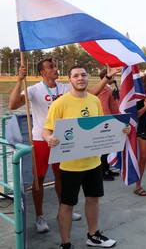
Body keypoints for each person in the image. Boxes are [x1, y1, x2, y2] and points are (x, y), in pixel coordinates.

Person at [9, 58, 118, 233]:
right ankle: (39, 216)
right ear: (43, 72)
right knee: (39, 179)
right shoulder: (34, 89)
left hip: (64, 140)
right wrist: (19, 81)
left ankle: (64, 209)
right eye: (51, 67)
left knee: (62, 176)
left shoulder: (65, 87)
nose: (55, 69)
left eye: (55, 66)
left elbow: (92, 93)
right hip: (42, 138)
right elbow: (12, 105)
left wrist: (106, 79)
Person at [43, 65, 126, 249]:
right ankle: (65, 243)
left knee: (93, 199)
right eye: (75, 75)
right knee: (67, 204)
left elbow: (100, 126)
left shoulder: (94, 101)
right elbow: (46, 128)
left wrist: (121, 130)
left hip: (93, 162)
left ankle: (93, 235)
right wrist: (49, 138)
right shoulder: (60, 103)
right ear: (69, 79)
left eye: (83, 75)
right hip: (70, 166)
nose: (80, 78)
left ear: (87, 77)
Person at [97, 69, 120, 181]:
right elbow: (103, 106)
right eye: (113, 76)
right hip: (106, 121)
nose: (115, 78)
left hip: (108, 119)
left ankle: (106, 168)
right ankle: (103, 172)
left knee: (108, 147)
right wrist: (109, 120)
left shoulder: (107, 88)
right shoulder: (104, 89)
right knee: (105, 148)